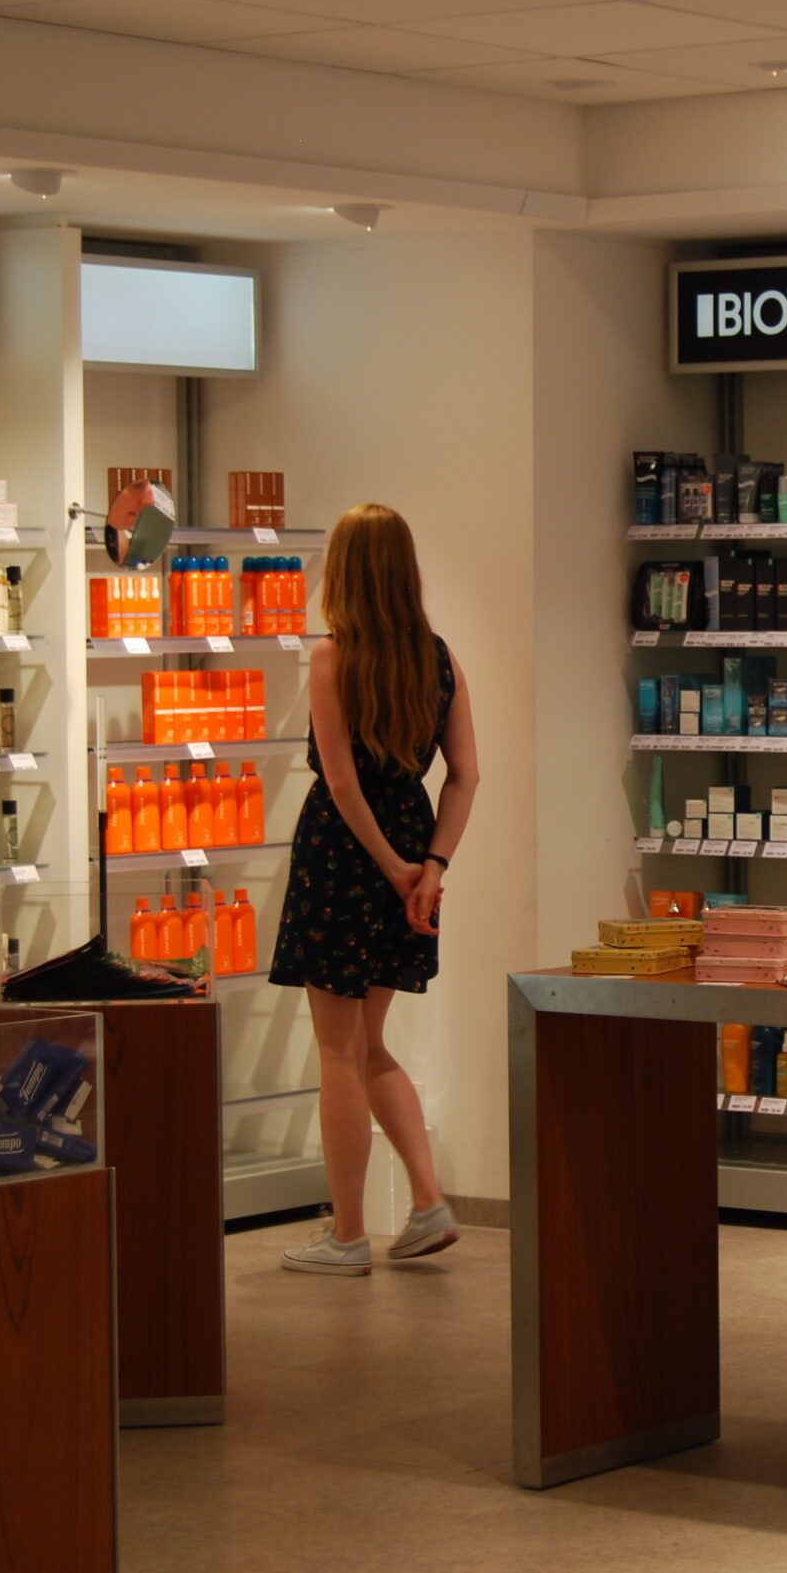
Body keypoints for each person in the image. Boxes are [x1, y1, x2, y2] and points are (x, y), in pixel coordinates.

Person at [267, 503, 479, 1275]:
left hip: (343, 857)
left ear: (344, 571)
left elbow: (341, 781)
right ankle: (427, 1203)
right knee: (372, 1042)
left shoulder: (333, 659)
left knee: (337, 1050)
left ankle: (348, 1234)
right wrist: (432, 867)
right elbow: (465, 775)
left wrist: (394, 867)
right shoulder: (439, 657)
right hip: (412, 855)